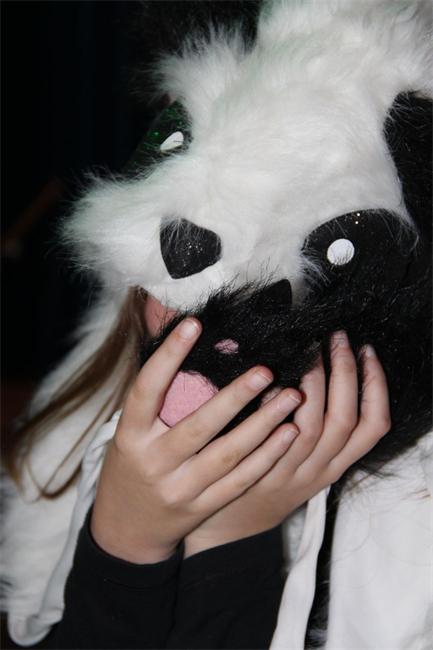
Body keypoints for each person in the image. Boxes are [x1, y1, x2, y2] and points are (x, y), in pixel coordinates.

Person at [24, 290, 388, 649]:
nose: (237, 299)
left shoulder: (381, 549)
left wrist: (231, 535)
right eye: (193, 264)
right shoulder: (58, 455)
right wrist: (125, 539)